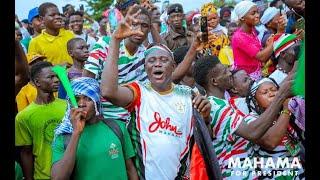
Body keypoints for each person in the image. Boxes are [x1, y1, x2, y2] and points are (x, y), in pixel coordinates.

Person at [99, 7, 211, 179]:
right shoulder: (139, 93)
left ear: (173, 67)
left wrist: (206, 117)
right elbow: (107, 91)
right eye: (151, 60)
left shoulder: (189, 95)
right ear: (146, 68)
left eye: (164, 60)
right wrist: (115, 40)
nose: (157, 64)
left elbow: (206, 137)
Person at [193, 55, 293, 179]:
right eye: (225, 71)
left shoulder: (224, 104)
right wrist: (281, 97)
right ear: (214, 81)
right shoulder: (216, 107)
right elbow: (253, 132)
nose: (230, 72)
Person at [52, 77, 138, 180]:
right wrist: (76, 133)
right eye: (76, 99)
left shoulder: (117, 127)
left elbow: (130, 169)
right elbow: (58, 178)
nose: (81, 104)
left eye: (88, 98)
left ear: (97, 101)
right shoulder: (63, 138)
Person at [82, 5, 150, 122]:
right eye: (134, 24)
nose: (139, 29)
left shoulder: (145, 55)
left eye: (144, 26)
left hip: (132, 120)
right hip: (102, 119)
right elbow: (87, 80)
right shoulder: (105, 44)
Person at [15, 61, 67, 180]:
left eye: (57, 76)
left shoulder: (67, 107)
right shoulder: (24, 116)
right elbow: (26, 152)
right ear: (37, 82)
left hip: (70, 173)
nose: (56, 80)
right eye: (51, 77)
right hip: (43, 175)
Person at [246, 78, 305, 179]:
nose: (271, 94)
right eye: (265, 92)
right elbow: (271, 142)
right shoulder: (251, 120)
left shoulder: (286, 113)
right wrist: (286, 109)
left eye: (274, 90)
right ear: (255, 101)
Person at [231, 0, 274, 80]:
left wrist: (267, 46)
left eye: (257, 12)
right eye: (253, 13)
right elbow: (261, 57)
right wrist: (274, 40)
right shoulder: (239, 37)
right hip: (247, 79)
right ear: (242, 17)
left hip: (256, 73)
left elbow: (258, 53)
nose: (257, 15)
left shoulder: (251, 32)